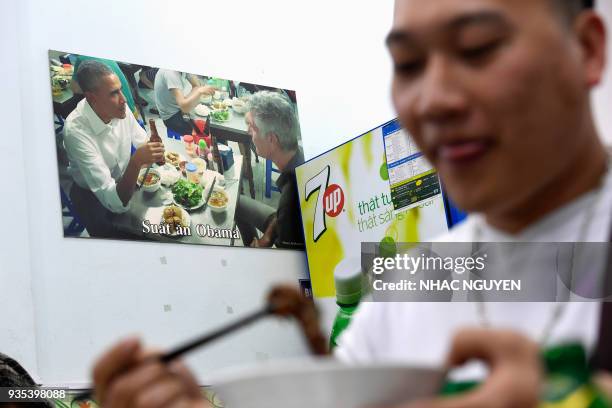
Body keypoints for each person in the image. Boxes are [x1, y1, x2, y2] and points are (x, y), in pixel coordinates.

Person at [90, 0, 612, 406]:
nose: (432, 99)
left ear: (587, 50)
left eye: (478, 48)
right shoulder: (408, 289)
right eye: (408, 64)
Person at [64, 60, 165, 238]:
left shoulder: (120, 110)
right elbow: (113, 200)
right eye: (114, 93)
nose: (124, 99)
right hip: (90, 194)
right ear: (92, 98)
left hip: (123, 179)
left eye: (120, 89)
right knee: (111, 240)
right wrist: (136, 162)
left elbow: (142, 142)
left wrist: (152, 151)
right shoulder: (76, 131)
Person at [235, 91, 305, 249]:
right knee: (236, 202)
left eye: (252, 128)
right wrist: (266, 238)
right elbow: (282, 213)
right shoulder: (297, 155)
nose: (248, 132)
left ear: (271, 139)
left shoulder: (292, 200)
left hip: (291, 238)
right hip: (281, 219)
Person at [71, 55, 142, 121]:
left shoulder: (81, 59)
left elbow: (75, 88)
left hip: (125, 112)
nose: (124, 100)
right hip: (132, 108)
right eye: (114, 93)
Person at [154, 69, 215, 135]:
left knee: (207, 127)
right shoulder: (170, 73)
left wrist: (196, 92)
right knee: (203, 134)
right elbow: (185, 108)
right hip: (171, 116)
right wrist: (199, 91)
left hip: (179, 107)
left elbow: (196, 85)